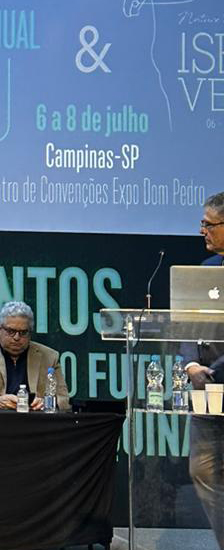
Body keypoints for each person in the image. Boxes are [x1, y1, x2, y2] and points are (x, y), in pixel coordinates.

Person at [183, 191, 224, 549]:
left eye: (209, 225)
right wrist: (192, 364)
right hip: (204, 394)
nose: (202, 231)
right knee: (203, 471)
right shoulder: (205, 272)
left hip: (219, 380)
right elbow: (183, 326)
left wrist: (216, 370)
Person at [0, 301, 70, 411]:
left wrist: (45, 403)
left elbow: (63, 399)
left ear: (30, 332)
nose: (16, 337)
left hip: (35, 423)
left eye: (23, 332)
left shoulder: (49, 356)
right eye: (11, 331)